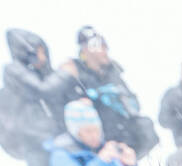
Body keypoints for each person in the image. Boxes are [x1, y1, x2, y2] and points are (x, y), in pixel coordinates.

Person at [0, 29, 69, 166]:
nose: (43, 57)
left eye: (44, 51)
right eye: (39, 52)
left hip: (48, 133)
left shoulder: (43, 72)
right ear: (27, 53)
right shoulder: (14, 70)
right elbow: (41, 89)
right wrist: (64, 74)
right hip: (31, 134)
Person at [57, 26, 156, 155]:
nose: (104, 51)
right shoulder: (74, 72)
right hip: (98, 140)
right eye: (99, 47)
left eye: (104, 46)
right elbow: (70, 109)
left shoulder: (112, 72)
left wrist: (118, 99)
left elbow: (133, 102)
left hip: (126, 136)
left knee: (145, 126)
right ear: (85, 50)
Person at [45, 97, 138, 166]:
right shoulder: (61, 155)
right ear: (76, 132)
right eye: (88, 131)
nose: (94, 135)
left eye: (96, 129)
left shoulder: (105, 150)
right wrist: (100, 161)